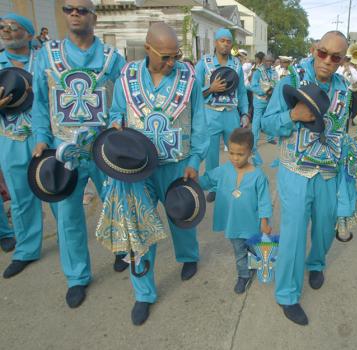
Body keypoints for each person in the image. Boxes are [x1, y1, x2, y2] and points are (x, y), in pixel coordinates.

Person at [106, 22, 209, 325]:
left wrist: (196, 158)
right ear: (147, 48)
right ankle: (143, 293)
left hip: (178, 163)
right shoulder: (127, 76)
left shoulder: (189, 76)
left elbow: (200, 121)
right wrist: (115, 125)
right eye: (165, 56)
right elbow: (115, 112)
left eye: (175, 55)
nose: (171, 62)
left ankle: (188, 257)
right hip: (138, 169)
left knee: (182, 218)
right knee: (140, 230)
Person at [31, 0, 126, 308]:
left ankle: (122, 249)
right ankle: (77, 277)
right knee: (69, 216)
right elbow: (41, 103)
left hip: (102, 146)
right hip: (63, 148)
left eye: (81, 9)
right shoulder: (47, 55)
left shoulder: (112, 58)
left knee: (116, 202)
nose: (74, 13)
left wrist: (117, 119)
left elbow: (125, 96)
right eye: (68, 8)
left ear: (93, 17)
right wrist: (41, 138)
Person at [262, 30, 350, 326]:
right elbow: (268, 123)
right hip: (295, 170)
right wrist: (292, 116)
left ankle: (316, 263)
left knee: (325, 226)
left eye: (335, 57)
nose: (326, 61)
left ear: (342, 60)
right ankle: (287, 294)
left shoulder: (345, 90)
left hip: (328, 172)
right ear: (314, 49)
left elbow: (340, 131)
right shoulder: (290, 81)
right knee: (294, 233)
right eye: (323, 52)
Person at [198, 128, 273, 294]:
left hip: (252, 224)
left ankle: (257, 263)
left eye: (240, 154)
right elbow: (206, 180)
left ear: (250, 152)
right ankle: (243, 275)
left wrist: (264, 221)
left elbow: (264, 201)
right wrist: (194, 178)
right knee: (239, 252)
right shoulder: (224, 170)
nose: (235, 158)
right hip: (233, 224)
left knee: (257, 249)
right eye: (231, 153)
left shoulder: (258, 176)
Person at [0, 13, 46, 278]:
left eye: (13, 28)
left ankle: (70, 246)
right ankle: (26, 250)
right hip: (12, 138)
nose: (6, 31)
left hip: (46, 137)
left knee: (58, 194)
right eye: (3, 27)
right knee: (20, 198)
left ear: (29, 34)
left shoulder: (45, 61)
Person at [195, 28, 249, 203]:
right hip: (210, 114)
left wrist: (245, 113)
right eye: (222, 41)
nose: (225, 44)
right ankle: (214, 187)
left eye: (228, 41)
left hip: (231, 114)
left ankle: (237, 183)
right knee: (211, 155)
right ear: (215, 42)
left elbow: (241, 92)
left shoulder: (236, 65)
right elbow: (193, 91)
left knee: (238, 151)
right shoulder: (204, 63)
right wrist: (210, 89)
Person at [250, 53, 277, 163]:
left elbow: (276, 83)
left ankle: (270, 138)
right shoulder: (258, 72)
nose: (268, 63)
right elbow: (253, 86)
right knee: (256, 122)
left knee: (270, 119)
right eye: (267, 61)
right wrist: (264, 91)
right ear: (263, 60)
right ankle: (253, 143)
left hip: (270, 100)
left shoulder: (274, 72)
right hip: (259, 100)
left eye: (271, 61)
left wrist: (273, 91)